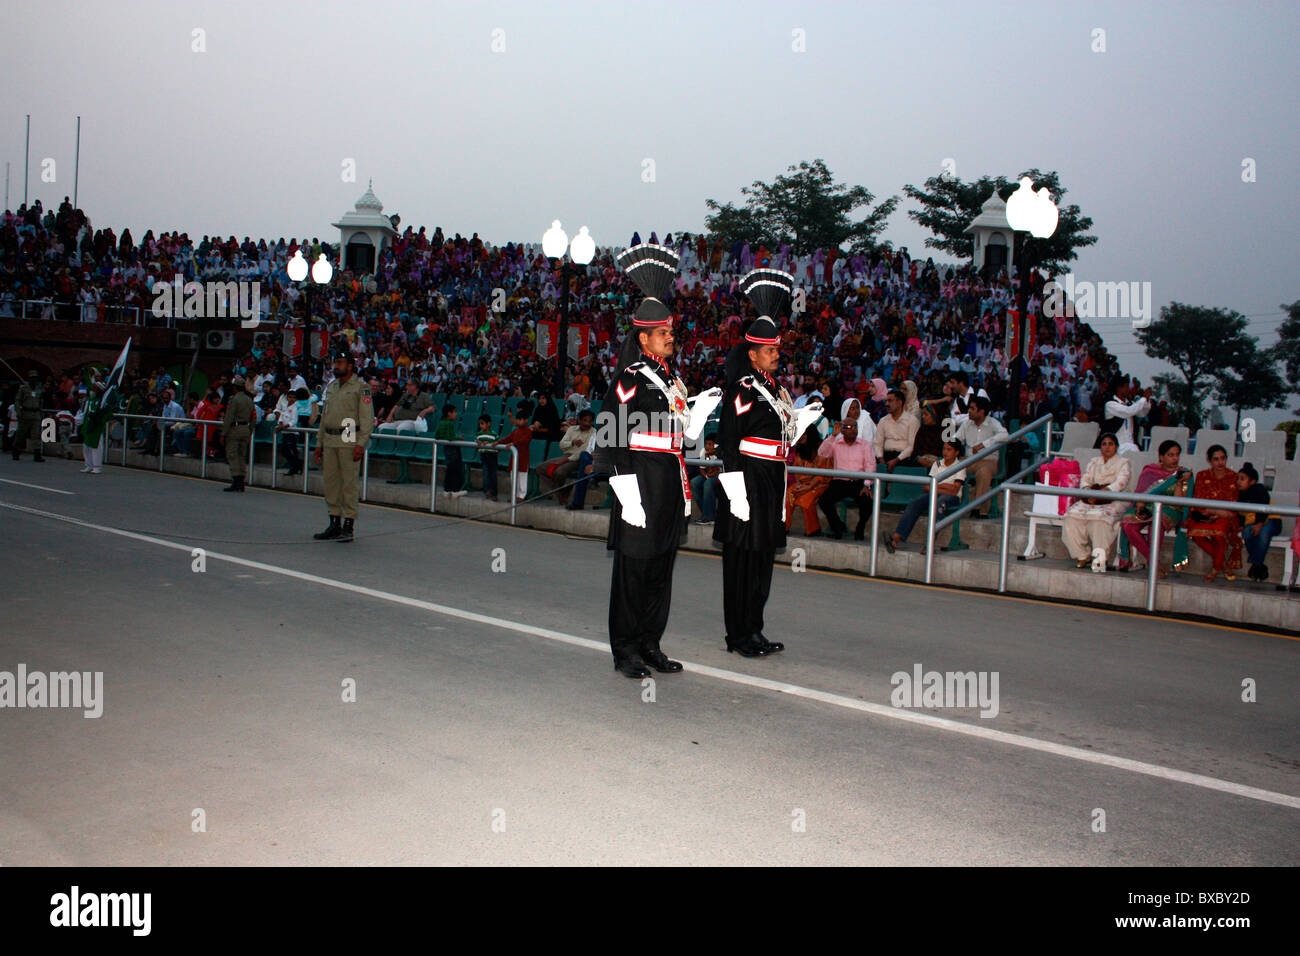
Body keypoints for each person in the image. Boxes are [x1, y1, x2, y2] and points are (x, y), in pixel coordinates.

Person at [599, 241, 717, 679]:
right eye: (663, 332)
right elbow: (610, 432)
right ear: (643, 337)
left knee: (660, 571)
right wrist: (625, 492)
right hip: (641, 482)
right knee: (634, 572)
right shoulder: (631, 378)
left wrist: (698, 414)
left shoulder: (675, 381)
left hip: (669, 481)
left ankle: (650, 644)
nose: (671, 336)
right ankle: (625, 650)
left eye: (671, 331)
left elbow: (683, 438)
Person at [713, 268, 822, 658]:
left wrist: (803, 420)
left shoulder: (777, 390)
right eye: (771, 350)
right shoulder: (742, 389)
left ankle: (755, 629)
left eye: (778, 349)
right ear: (754, 353)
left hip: (773, 479)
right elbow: (729, 441)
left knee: (761, 561)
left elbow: (783, 438)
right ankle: (738, 636)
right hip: (748, 480)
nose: (778, 355)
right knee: (741, 562)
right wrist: (737, 491)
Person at [312, 350, 374, 542]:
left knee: (348, 483)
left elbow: (366, 418)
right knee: (331, 483)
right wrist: (319, 444)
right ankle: (334, 522)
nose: (336, 366)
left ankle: (348, 524)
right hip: (330, 436)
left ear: (349, 365)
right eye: (335, 362)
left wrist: (360, 444)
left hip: (348, 433)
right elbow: (324, 418)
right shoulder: (332, 387)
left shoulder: (360, 388)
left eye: (340, 362)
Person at [1118, 439, 1191, 576]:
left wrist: (1179, 483)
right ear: (1161, 457)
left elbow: (1179, 502)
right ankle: (1155, 563)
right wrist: (1142, 504)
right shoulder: (1150, 470)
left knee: (1155, 524)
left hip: (1171, 508)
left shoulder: (1183, 474)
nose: (1175, 458)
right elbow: (1141, 494)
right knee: (1128, 524)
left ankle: (1153, 565)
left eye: (1177, 455)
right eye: (1170, 455)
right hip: (1148, 505)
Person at [1061, 433, 1132, 569]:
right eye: (1104, 444)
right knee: (1070, 517)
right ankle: (1082, 555)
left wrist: (1104, 492)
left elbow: (1121, 482)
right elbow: (1085, 479)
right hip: (1092, 498)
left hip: (1113, 499)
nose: (1107, 447)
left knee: (1099, 521)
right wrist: (1088, 491)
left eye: (1110, 444)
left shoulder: (1124, 463)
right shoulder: (1094, 462)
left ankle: (1100, 557)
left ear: (1116, 446)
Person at [883, 439, 965, 553]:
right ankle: (895, 538)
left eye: (949, 449)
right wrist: (945, 486)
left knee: (939, 503)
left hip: (951, 498)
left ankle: (929, 544)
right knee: (915, 503)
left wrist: (937, 485)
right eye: (944, 449)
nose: (945, 452)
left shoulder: (960, 466)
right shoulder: (937, 464)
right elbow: (926, 487)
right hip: (935, 493)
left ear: (956, 452)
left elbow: (954, 491)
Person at [1184, 444, 1241, 583]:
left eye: (1222, 458)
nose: (1220, 462)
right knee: (1196, 534)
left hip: (1227, 516)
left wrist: (1220, 513)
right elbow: (1198, 499)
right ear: (1209, 460)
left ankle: (1215, 569)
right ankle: (1224, 564)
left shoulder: (1234, 477)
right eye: (1216, 459)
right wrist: (1212, 512)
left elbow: (1235, 503)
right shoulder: (1202, 475)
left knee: (1219, 535)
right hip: (1206, 513)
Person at [955, 396, 1007, 518]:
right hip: (969, 460)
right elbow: (956, 439)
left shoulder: (993, 423)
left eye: (972, 408)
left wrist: (984, 444)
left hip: (988, 461)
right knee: (952, 468)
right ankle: (950, 503)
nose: (969, 411)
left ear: (981, 412)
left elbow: (1005, 435)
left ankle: (978, 508)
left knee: (984, 472)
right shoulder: (966, 424)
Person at [537, 408, 596, 504]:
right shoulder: (572, 429)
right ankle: (562, 491)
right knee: (540, 468)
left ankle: (561, 492)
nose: (587, 424)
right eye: (584, 420)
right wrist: (572, 443)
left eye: (590, 421)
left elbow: (584, 452)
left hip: (579, 459)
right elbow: (562, 444)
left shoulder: (593, 432)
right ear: (579, 420)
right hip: (566, 455)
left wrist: (565, 460)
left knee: (559, 472)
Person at [1236, 462, 1280, 582]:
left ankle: (1256, 563)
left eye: (1242, 479)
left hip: (1271, 520)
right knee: (1246, 534)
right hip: (1252, 523)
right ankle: (1259, 566)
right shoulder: (1239, 495)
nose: (1238, 482)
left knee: (1264, 534)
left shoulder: (1258, 490)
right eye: (1238, 479)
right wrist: (1240, 525)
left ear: (1252, 481)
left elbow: (1263, 507)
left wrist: (1260, 523)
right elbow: (1240, 513)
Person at [786, 430, 831, 537]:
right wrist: (798, 484)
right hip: (802, 482)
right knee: (788, 496)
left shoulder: (822, 448)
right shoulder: (799, 447)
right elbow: (796, 468)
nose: (801, 437)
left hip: (819, 484)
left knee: (805, 499)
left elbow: (822, 474)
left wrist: (809, 487)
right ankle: (784, 528)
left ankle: (814, 530)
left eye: (804, 434)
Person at [494, 401, 534, 502]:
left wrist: (513, 444)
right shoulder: (515, 431)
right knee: (513, 476)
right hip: (514, 458)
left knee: (522, 477)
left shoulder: (528, 431)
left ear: (526, 420)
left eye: (521, 419)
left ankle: (521, 495)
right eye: (518, 419)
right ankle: (514, 494)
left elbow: (524, 441)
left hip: (523, 458)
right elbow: (507, 438)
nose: (519, 421)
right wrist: (498, 442)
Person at [221, 375, 255, 492]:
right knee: (242, 455)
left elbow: (229, 417)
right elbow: (253, 417)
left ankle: (236, 481)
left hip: (235, 429)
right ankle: (241, 480)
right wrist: (250, 430)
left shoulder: (234, 399)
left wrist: (223, 433)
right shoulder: (249, 399)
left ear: (235, 388)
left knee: (232, 455)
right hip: (245, 428)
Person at [874, 387, 920, 471]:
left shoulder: (912, 420)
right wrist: (881, 459)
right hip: (885, 457)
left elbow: (911, 446)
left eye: (890, 401)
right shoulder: (883, 420)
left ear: (899, 402)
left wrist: (896, 460)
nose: (886, 404)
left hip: (904, 458)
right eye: (886, 401)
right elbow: (878, 443)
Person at [1103, 380, 1152, 454]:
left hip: (1131, 444)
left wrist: (1146, 400)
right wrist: (1143, 399)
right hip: (1116, 445)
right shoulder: (1110, 404)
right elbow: (1128, 411)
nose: (1128, 389)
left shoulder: (1129, 403)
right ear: (1119, 389)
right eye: (1126, 387)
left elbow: (1142, 413)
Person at [434, 403, 466, 496]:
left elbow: (438, 435)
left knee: (450, 470)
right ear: (449, 413)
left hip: (447, 450)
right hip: (452, 450)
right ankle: (455, 490)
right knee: (456, 469)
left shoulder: (441, 422)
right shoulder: (449, 423)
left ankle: (447, 490)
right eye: (454, 412)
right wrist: (458, 438)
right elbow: (450, 437)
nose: (456, 414)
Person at [12, 370, 45, 461]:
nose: (33, 379)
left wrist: (41, 412)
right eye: (32, 378)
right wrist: (18, 411)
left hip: (36, 413)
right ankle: (16, 451)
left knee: (36, 434)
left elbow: (41, 401)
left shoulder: (39, 389)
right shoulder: (24, 389)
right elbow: (17, 400)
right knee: (21, 433)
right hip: (26, 413)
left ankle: (37, 454)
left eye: (35, 378)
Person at [689, 434, 721, 523]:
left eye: (710, 444)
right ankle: (708, 514)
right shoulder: (703, 452)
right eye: (706, 444)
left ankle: (708, 516)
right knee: (694, 482)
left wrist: (709, 476)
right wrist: (706, 476)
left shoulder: (720, 452)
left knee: (708, 483)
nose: (707, 446)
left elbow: (718, 470)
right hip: (708, 474)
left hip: (720, 474)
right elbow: (702, 469)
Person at [474, 413, 500, 501]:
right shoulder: (479, 434)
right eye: (480, 424)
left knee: (492, 474)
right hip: (484, 456)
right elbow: (476, 440)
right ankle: (487, 491)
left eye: (482, 423)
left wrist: (489, 444)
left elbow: (498, 442)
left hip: (492, 456)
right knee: (486, 474)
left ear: (488, 424)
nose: (481, 426)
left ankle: (493, 492)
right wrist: (478, 442)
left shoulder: (494, 434)